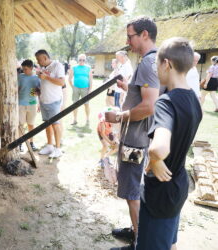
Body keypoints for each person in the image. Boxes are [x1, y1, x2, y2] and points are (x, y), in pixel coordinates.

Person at [136, 37, 202, 250]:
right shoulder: (194, 99)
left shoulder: (166, 102)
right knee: (169, 243)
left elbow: (160, 147)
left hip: (160, 192)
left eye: (157, 65)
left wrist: (155, 159)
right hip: (178, 184)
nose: (156, 71)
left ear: (167, 64)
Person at [106, 17, 161, 250]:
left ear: (144, 34)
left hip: (136, 141)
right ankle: (136, 230)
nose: (127, 42)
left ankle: (140, 241)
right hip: (140, 137)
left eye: (130, 36)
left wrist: (118, 117)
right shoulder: (153, 60)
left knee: (131, 191)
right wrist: (129, 89)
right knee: (134, 189)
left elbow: (149, 106)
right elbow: (147, 97)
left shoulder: (149, 63)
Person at [35, 49, 65, 158]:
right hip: (44, 100)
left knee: (56, 125)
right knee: (47, 124)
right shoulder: (42, 68)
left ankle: (58, 149)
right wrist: (37, 91)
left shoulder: (58, 66)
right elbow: (43, 84)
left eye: (39, 59)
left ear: (44, 57)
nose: (38, 62)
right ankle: (49, 146)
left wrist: (46, 77)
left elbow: (62, 82)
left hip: (54, 100)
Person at [18, 59, 40, 151]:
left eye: (26, 69)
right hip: (21, 104)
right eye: (23, 69)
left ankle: (31, 143)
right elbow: (17, 89)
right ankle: (20, 143)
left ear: (31, 68)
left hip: (32, 104)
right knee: (20, 125)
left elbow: (38, 91)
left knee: (31, 124)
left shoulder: (36, 78)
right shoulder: (20, 77)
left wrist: (37, 96)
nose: (24, 71)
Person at [68, 54, 93, 126]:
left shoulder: (88, 67)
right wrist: (72, 87)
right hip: (76, 88)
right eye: (80, 60)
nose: (82, 61)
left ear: (85, 60)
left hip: (85, 88)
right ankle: (75, 120)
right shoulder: (74, 67)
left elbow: (91, 79)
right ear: (77, 60)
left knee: (86, 104)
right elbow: (69, 79)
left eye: (83, 60)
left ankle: (87, 119)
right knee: (75, 105)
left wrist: (90, 89)